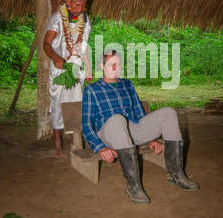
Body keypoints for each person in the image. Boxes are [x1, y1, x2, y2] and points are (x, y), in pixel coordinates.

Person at [81, 50, 199, 204]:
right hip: (109, 133)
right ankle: (133, 186)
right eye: (112, 64)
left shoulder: (127, 84)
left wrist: (149, 138)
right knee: (117, 120)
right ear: (103, 66)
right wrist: (100, 148)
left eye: (119, 65)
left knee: (168, 113)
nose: (116, 68)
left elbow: (139, 114)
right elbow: (86, 125)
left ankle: (176, 174)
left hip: (131, 130)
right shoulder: (92, 90)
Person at [43, 0, 98, 158]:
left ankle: (77, 142)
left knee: (78, 104)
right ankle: (58, 145)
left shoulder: (86, 21)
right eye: (76, 4)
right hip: (59, 69)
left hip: (77, 69)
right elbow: (46, 43)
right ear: (67, 1)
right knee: (58, 103)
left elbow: (83, 47)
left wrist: (89, 68)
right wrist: (56, 58)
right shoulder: (57, 18)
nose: (80, 7)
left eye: (83, 4)